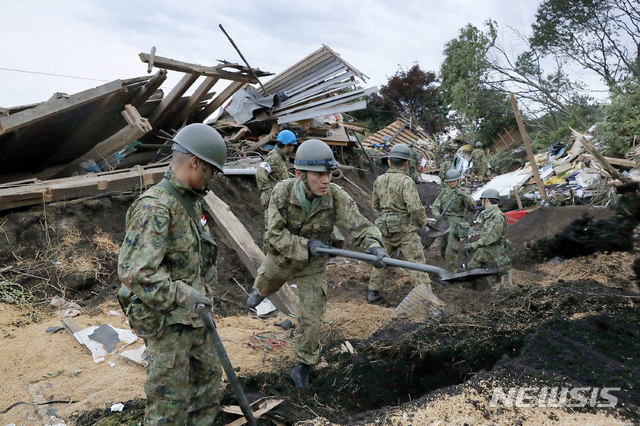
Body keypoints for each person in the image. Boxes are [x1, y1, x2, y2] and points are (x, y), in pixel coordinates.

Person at [245, 139, 386, 388]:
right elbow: (274, 235)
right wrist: (305, 245)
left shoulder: (336, 197)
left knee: (312, 317)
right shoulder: (282, 192)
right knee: (266, 283)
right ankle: (260, 290)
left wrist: (374, 246)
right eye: (319, 175)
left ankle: (302, 365)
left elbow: (359, 226)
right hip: (281, 258)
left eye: (329, 174)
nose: (326, 180)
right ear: (300, 174)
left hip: (313, 266)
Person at [117, 123, 226, 425]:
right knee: (170, 407)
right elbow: (135, 271)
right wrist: (183, 293)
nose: (212, 179)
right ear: (195, 163)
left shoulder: (191, 202)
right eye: (211, 171)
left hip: (197, 320)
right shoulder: (156, 207)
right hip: (168, 326)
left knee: (206, 392)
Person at [368, 143, 431, 303]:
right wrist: (422, 222)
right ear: (407, 163)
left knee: (381, 259)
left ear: (389, 161)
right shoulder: (406, 181)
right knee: (417, 264)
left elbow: (375, 204)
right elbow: (415, 207)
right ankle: (427, 299)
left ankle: (373, 292)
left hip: (384, 228)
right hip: (405, 230)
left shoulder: (379, 180)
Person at [256, 130, 297, 243]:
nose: (294, 148)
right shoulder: (274, 157)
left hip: (280, 201)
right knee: (270, 230)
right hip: (273, 201)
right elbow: (260, 172)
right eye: (292, 145)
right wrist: (267, 192)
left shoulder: (281, 157)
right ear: (287, 145)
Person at [431, 170, 476, 273]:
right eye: (449, 182)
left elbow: (472, 206)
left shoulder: (464, 192)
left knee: (451, 249)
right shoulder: (444, 193)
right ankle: (448, 266)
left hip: (456, 223)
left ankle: (452, 272)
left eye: (453, 181)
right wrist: (437, 214)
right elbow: (435, 206)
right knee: (442, 247)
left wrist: (464, 196)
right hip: (444, 223)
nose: (451, 183)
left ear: (458, 180)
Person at [464, 188, 511, 288]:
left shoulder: (497, 216)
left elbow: (490, 237)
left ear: (486, 200)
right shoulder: (488, 215)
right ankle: (467, 294)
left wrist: (473, 245)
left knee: (494, 283)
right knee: (471, 273)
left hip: (493, 255)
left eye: (482, 200)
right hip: (484, 252)